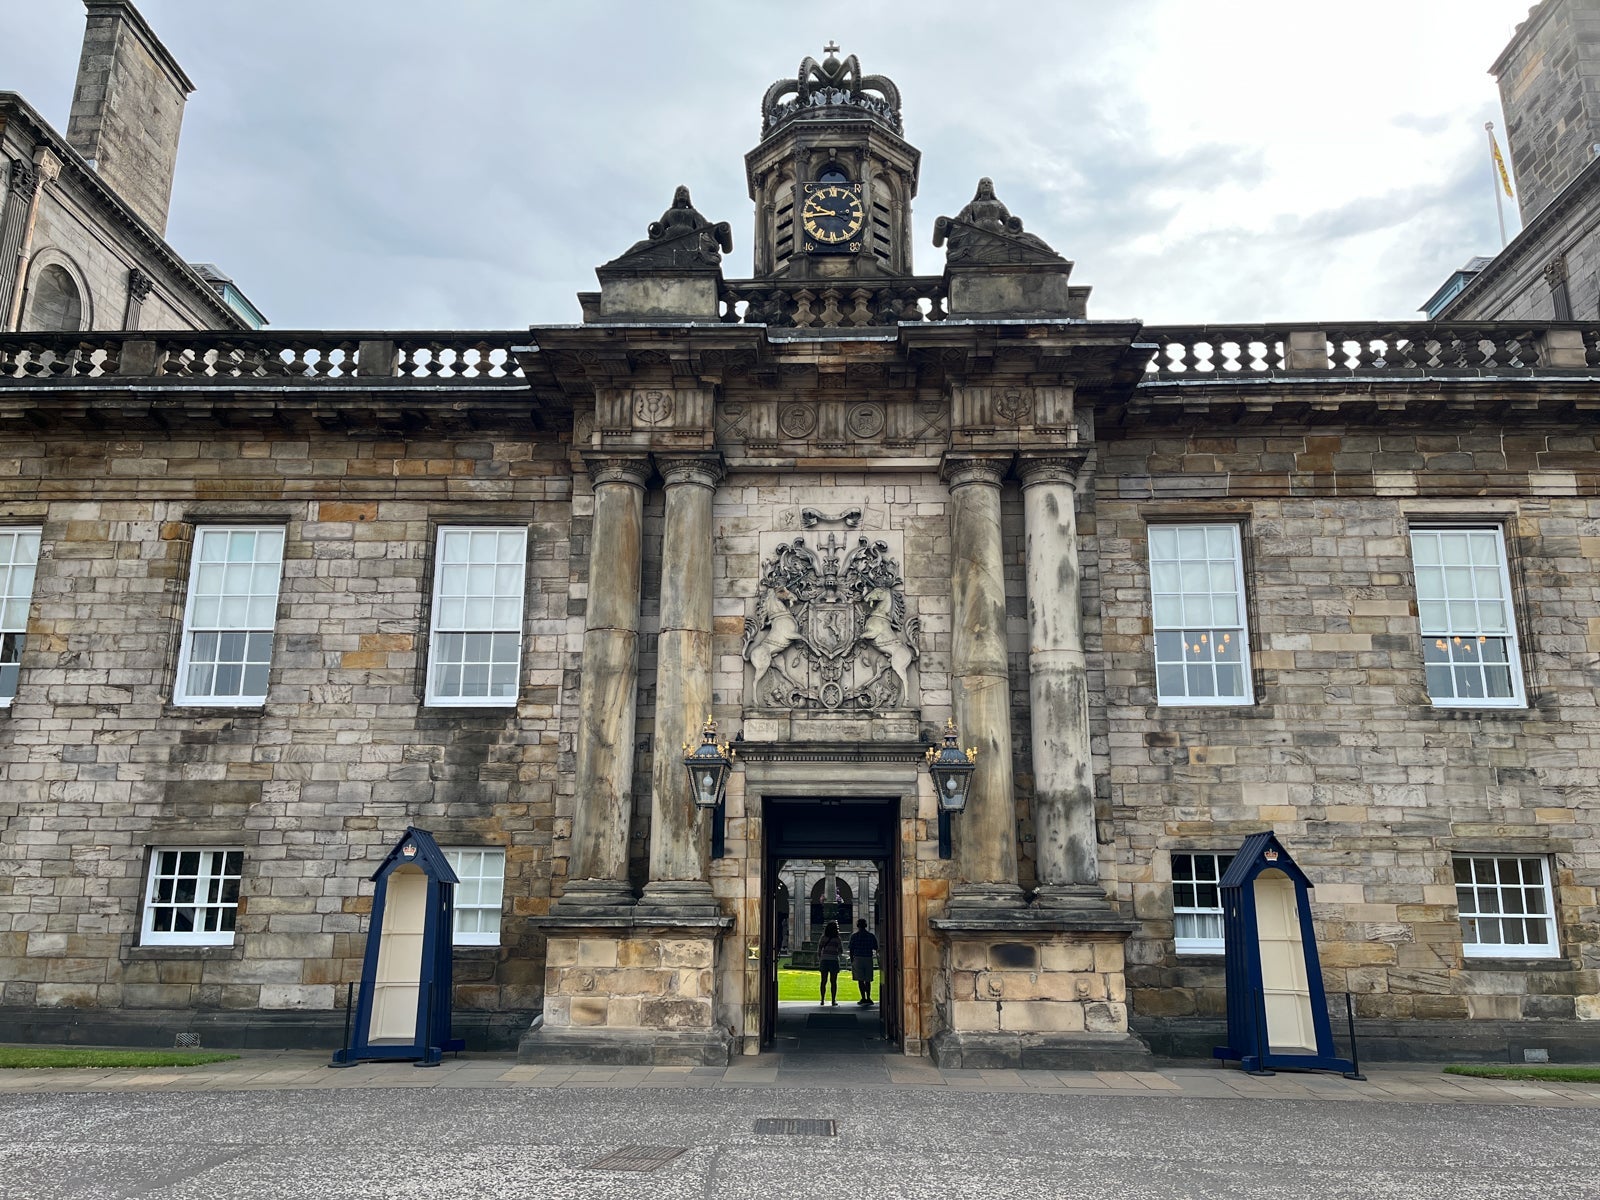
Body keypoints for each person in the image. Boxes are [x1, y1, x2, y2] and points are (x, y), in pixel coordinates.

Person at [849, 918, 879, 1007]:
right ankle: (868, 997)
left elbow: (851, 949)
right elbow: (876, 947)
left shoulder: (854, 936)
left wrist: (852, 960)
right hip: (868, 958)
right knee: (868, 979)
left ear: (858, 926)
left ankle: (863, 997)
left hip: (858, 958)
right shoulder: (870, 936)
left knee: (860, 980)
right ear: (865, 925)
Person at [817, 920, 842, 1006]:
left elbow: (819, 949)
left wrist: (820, 958)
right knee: (833, 982)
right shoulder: (837, 938)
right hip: (834, 960)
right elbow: (840, 950)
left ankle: (822, 999)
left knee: (823, 981)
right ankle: (833, 1000)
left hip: (824, 960)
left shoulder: (823, 937)